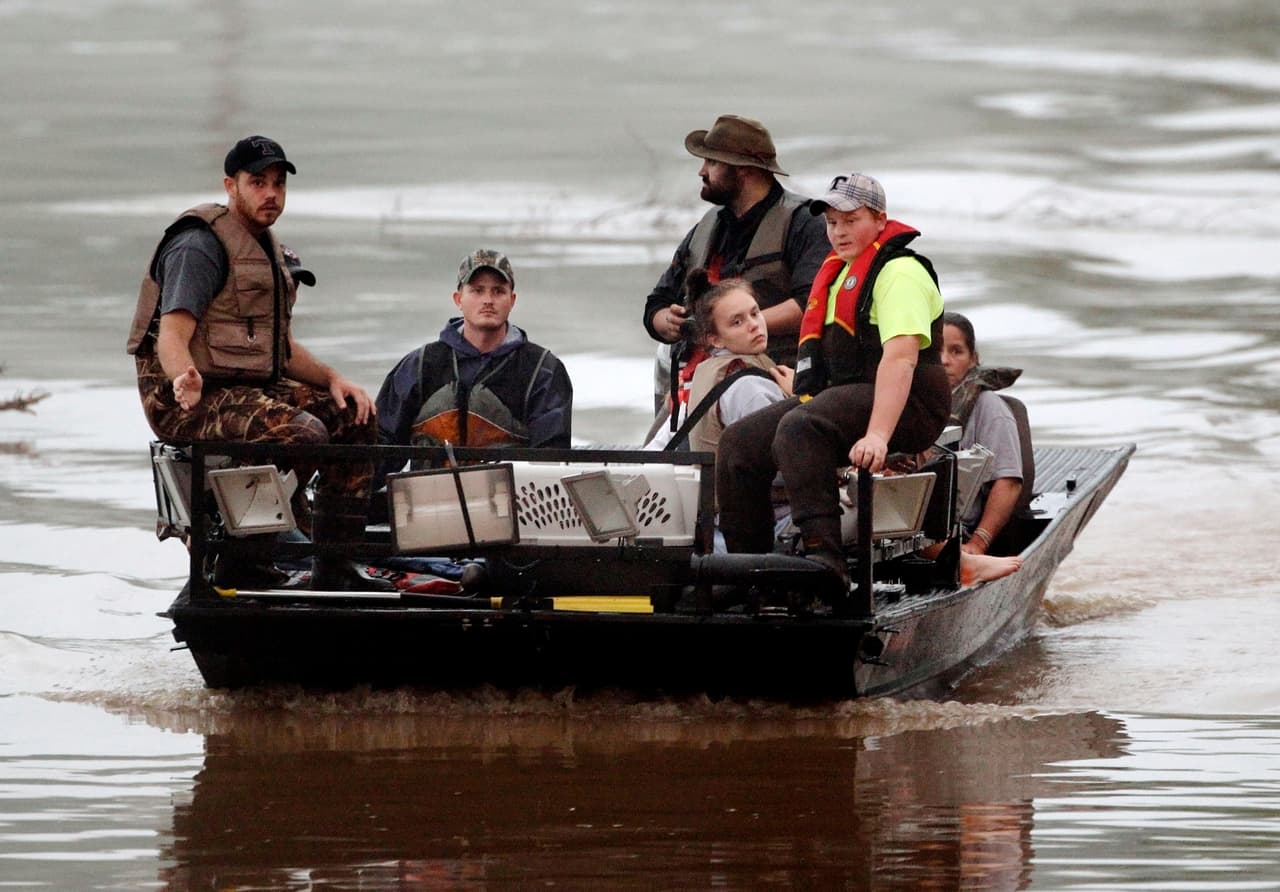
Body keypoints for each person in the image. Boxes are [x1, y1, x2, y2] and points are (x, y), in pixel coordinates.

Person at [126, 135, 384, 591]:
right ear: (231, 185)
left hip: (245, 389)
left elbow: (280, 350)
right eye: (258, 182)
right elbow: (171, 337)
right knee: (303, 433)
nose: (272, 194)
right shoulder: (199, 247)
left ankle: (334, 565)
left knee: (355, 418)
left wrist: (334, 380)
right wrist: (182, 378)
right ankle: (243, 554)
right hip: (186, 397)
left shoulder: (266, 247)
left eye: (279, 184)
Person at [715, 172, 951, 600]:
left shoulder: (899, 273)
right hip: (849, 396)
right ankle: (750, 572)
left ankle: (825, 563)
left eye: (851, 220)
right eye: (831, 223)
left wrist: (878, 435)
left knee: (801, 427)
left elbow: (901, 358)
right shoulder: (838, 273)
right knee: (740, 444)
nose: (838, 232)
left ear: (880, 220)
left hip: (911, 403)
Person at [642, 114, 830, 415]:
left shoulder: (804, 222)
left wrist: (736, 328)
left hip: (769, 380)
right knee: (654, 456)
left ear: (743, 171)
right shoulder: (705, 228)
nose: (701, 171)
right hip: (696, 382)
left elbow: (813, 303)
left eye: (712, 162)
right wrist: (667, 320)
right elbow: (657, 303)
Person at [375, 248, 572, 476]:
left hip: (511, 506)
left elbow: (550, 461)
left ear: (512, 300)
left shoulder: (543, 370)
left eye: (498, 291)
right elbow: (382, 450)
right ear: (458, 299)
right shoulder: (418, 366)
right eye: (477, 291)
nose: (488, 300)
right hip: (430, 503)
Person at [940, 312, 1025, 556]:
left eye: (956, 351)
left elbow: (1008, 482)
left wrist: (979, 544)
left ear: (973, 359)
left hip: (956, 532)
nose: (945, 360)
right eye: (937, 351)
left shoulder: (989, 407)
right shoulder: (904, 401)